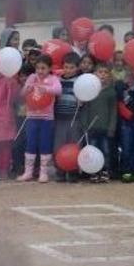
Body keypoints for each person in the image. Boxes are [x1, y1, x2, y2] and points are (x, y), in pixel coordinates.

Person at [18, 55, 61, 183]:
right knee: (31, 143)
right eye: (38, 68)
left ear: (49, 68)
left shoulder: (53, 79)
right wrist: (27, 88)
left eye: (43, 68)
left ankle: (43, 173)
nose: (40, 71)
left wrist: (46, 89)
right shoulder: (32, 77)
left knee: (45, 144)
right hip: (31, 117)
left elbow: (58, 90)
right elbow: (22, 94)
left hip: (47, 119)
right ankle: (28, 172)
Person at [79, 63, 117, 183]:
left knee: (106, 150)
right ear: (94, 74)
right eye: (100, 72)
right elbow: (85, 109)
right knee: (92, 151)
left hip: (105, 128)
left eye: (106, 72)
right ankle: (93, 172)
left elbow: (113, 112)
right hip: (91, 128)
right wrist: (84, 125)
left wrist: (112, 127)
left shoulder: (111, 92)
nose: (103, 75)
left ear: (109, 76)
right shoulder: (90, 90)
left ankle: (105, 171)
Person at [54, 52, 82, 182]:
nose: (68, 70)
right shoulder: (57, 81)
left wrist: (81, 101)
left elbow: (84, 97)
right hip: (60, 118)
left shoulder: (80, 81)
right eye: (66, 67)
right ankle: (60, 170)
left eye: (71, 67)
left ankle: (73, 171)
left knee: (74, 144)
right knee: (59, 145)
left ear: (77, 68)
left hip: (74, 119)